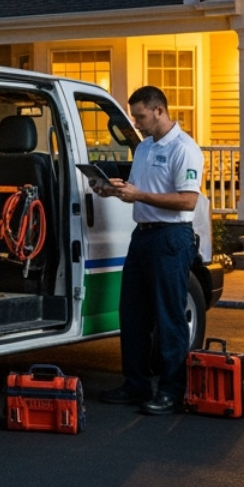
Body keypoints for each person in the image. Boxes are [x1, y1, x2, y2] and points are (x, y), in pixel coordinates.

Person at [90, 85, 204, 415]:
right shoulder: (144, 148)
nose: (136, 124)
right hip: (142, 236)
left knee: (169, 316)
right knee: (132, 313)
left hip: (171, 238)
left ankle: (171, 391)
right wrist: (113, 190)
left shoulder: (185, 149)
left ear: (159, 111)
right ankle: (135, 384)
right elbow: (141, 191)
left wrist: (138, 195)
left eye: (140, 117)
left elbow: (188, 200)